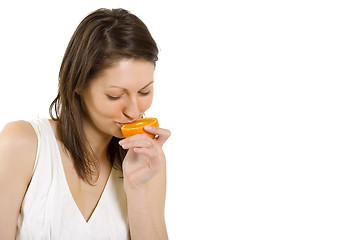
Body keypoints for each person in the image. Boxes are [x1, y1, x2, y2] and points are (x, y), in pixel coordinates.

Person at [0, 8, 170, 239]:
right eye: (115, 95)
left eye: (144, 91)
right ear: (78, 84)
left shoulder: (147, 164)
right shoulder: (21, 144)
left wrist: (137, 188)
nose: (134, 111)